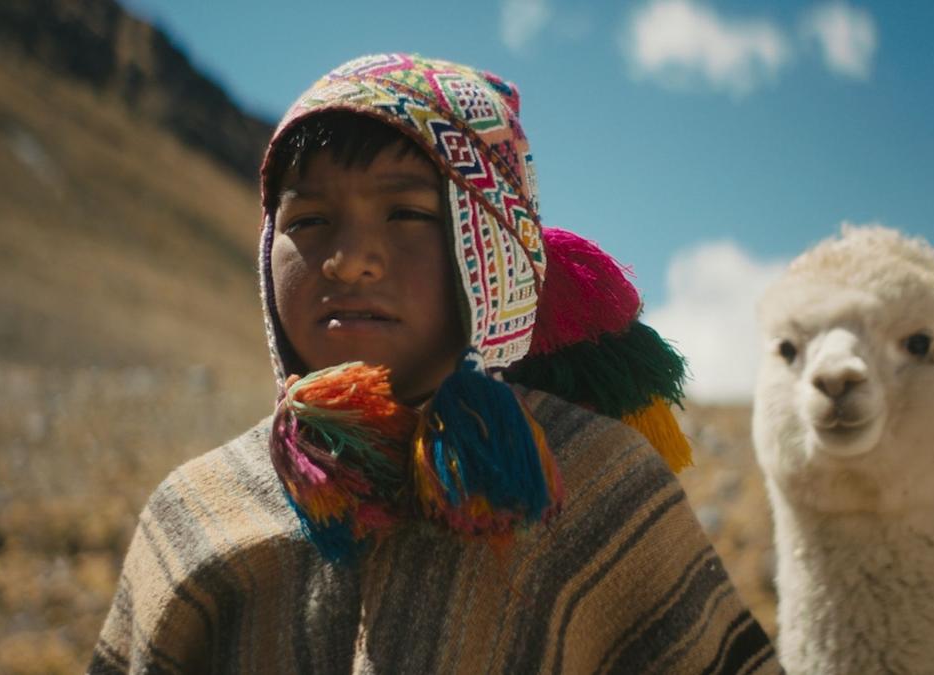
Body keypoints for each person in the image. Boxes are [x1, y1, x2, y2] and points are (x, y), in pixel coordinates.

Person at [90, 53, 779, 674]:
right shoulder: (199, 513)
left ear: (494, 255)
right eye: (308, 222)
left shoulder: (599, 488)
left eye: (405, 214)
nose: (348, 261)